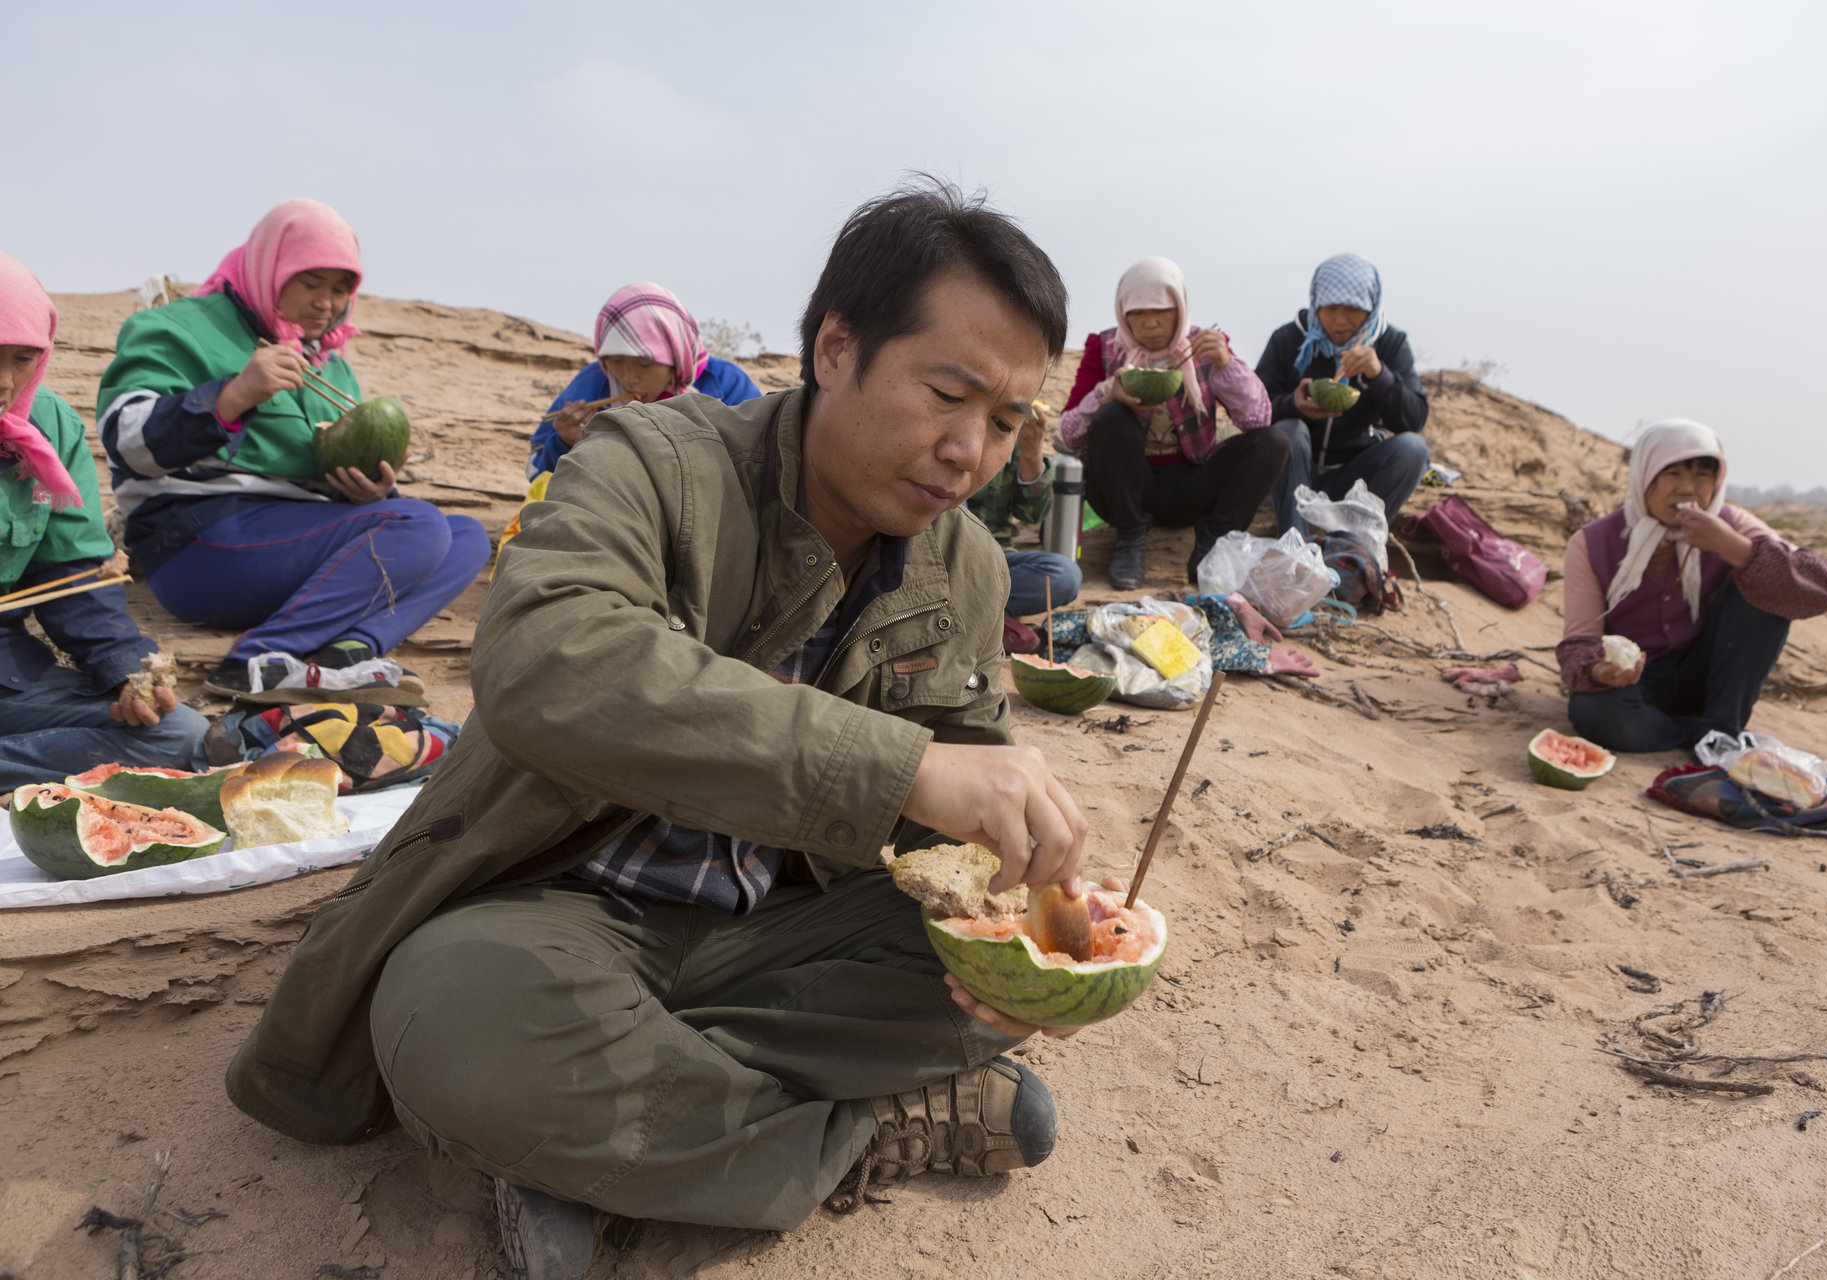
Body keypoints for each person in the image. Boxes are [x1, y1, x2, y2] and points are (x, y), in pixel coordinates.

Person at [226, 182, 1092, 1280]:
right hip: (557, 907)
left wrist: (1009, 914)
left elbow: (947, 816)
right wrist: (902, 767)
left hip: (779, 931)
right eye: (948, 394)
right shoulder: (651, 461)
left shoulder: (966, 562)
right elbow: (546, 658)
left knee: (991, 990)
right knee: (454, 1025)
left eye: (1007, 420)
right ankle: (867, 1130)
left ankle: (611, 1139)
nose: (971, 449)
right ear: (835, 346)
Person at [95, 199, 492, 704]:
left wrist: (371, 491)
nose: (326, 303)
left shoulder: (330, 363)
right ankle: (255, 661)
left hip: (289, 544)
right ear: (270, 270)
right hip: (197, 544)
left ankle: (345, 652)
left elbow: (319, 475)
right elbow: (126, 442)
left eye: (340, 289)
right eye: (311, 282)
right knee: (418, 525)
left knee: (465, 535)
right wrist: (231, 396)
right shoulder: (178, 326)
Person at [0, 252, 207, 788]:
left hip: (7, 678)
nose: (5, 382)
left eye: (23, 359)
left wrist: (125, 673)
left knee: (178, 734)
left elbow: (74, 580)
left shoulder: (49, 425)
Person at [1556, 420, 1827, 753]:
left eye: (1701, 475)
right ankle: (1704, 736)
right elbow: (1579, 645)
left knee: (1767, 576)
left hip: (1712, 680)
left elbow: (1824, 585)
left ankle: (1719, 729)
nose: (1687, 490)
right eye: (1672, 474)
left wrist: (1735, 548)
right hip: (1637, 684)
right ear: (1644, 476)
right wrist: (1601, 671)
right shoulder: (1592, 543)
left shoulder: (1732, 525)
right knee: (1593, 713)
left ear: (1717, 481)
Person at [1058, 257, 1281, 590]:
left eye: (1160, 311)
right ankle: (1131, 541)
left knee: (1274, 442)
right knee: (1112, 416)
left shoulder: (1207, 346)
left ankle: (1213, 544)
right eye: (1138, 313)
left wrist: (1224, 363)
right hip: (1124, 491)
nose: (1149, 324)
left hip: (1193, 485)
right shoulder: (1102, 348)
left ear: (1179, 307)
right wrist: (1108, 395)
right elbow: (1069, 434)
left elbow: (1257, 420)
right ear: (1123, 312)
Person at [1256, 253, 1429, 536]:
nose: (1340, 320)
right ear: (1315, 303)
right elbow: (1254, 409)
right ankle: (1294, 543)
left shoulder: (1389, 343)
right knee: (1290, 429)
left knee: (1413, 449)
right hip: (1299, 474)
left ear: (1371, 307)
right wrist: (1292, 404)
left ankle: (1354, 546)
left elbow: (1414, 420)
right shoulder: (1288, 339)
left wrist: (1379, 375)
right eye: (1330, 308)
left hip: (1357, 475)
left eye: (1352, 308)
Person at [525, 282, 760, 482]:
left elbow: (761, 462)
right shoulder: (594, 384)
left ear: (675, 357)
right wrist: (564, 443)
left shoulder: (725, 384)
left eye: (645, 364)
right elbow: (534, 471)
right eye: (616, 361)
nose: (628, 379)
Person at [965, 402, 1080, 653]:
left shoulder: (1013, 429)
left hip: (995, 560)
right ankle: (985, 618)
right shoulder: (956, 426)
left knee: (1065, 575)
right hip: (942, 558)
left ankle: (975, 611)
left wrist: (1031, 452)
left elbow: (1032, 513)